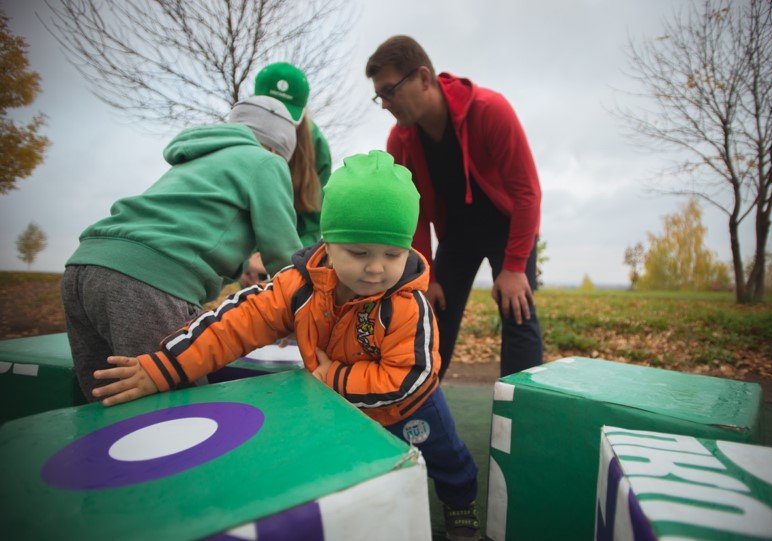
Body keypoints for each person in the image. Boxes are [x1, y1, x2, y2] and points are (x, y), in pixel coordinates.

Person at [91, 151, 481, 540]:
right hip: (339, 405)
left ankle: (460, 502)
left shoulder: (407, 305)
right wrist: (163, 367)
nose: (376, 267)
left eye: (392, 254)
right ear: (328, 243)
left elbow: (412, 375)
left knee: (446, 457)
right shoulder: (298, 288)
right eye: (359, 253)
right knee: (349, 468)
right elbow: (234, 324)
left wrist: (334, 377)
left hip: (407, 407)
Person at [61, 95, 304, 402]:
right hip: (146, 282)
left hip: (84, 267)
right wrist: (304, 314)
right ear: (278, 147)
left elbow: (194, 233)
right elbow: (283, 255)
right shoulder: (267, 162)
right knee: (173, 411)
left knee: (106, 401)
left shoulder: (199, 158)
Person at [366, 35, 543, 380]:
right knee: (431, 315)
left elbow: (528, 194)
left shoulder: (490, 111)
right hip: (457, 234)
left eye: (389, 91)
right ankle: (417, 406)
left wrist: (515, 267)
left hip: (507, 226)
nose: (385, 104)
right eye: (379, 96)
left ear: (423, 78)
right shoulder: (399, 139)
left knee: (517, 310)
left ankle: (521, 415)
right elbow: (411, 212)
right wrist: (425, 274)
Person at [240, 62, 333, 286]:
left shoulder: (317, 148)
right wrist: (245, 261)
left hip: (292, 251)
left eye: (287, 115)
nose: (278, 123)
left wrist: (292, 263)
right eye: (272, 111)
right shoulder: (240, 136)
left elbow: (313, 221)